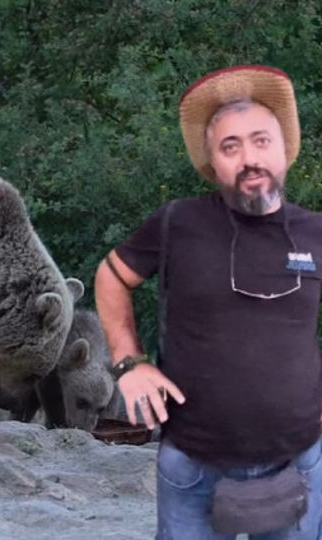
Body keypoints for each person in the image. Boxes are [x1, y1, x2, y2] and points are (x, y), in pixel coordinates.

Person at [94, 65, 322, 538]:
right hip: (191, 465)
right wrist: (128, 362)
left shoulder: (316, 233)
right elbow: (112, 277)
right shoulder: (176, 223)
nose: (249, 158)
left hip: (297, 461)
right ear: (213, 163)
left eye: (261, 141)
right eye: (230, 146)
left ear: (285, 149)